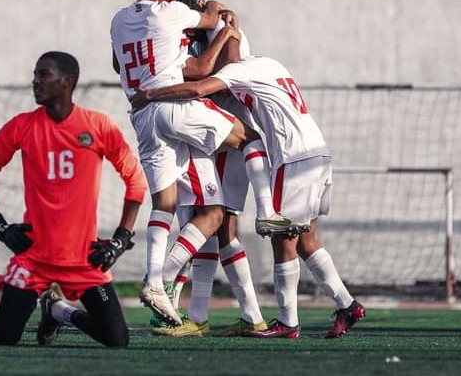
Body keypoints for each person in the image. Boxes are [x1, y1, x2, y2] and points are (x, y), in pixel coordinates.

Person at [134, 30, 366, 339]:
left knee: (278, 239)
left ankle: (287, 323)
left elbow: (200, 85)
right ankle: (347, 305)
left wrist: (150, 93)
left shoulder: (236, 70)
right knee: (305, 239)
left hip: (291, 158)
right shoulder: (270, 63)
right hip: (318, 152)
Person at [110, 0, 279, 325]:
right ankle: (268, 212)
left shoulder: (120, 19)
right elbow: (210, 37)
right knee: (249, 139)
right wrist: (222, 17)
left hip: (142, 117)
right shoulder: (173, 13)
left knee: (169, 206)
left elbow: (116, 64)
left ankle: (158, 281)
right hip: (181, 107)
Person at [0, 51, 147, 347]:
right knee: (4, 340)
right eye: (35, 74)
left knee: (117, 340)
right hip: (35, 258)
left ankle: (57, 311)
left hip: (82, 259)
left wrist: (120, 238)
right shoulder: (22, 126)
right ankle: (49, 305)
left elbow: (136, 181)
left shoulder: (98, 125)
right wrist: (0, 226)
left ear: (67, 82)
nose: (35, 81)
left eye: (43, 74)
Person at [150, 0, 266, 338]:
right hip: (206, 135)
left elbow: (224, 73)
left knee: (219, 224)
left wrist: (217, 26)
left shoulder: (222, 26)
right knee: (205, 224)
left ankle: (175, 291)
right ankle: (230, 315)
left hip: (230, 136)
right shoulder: (182, 34)